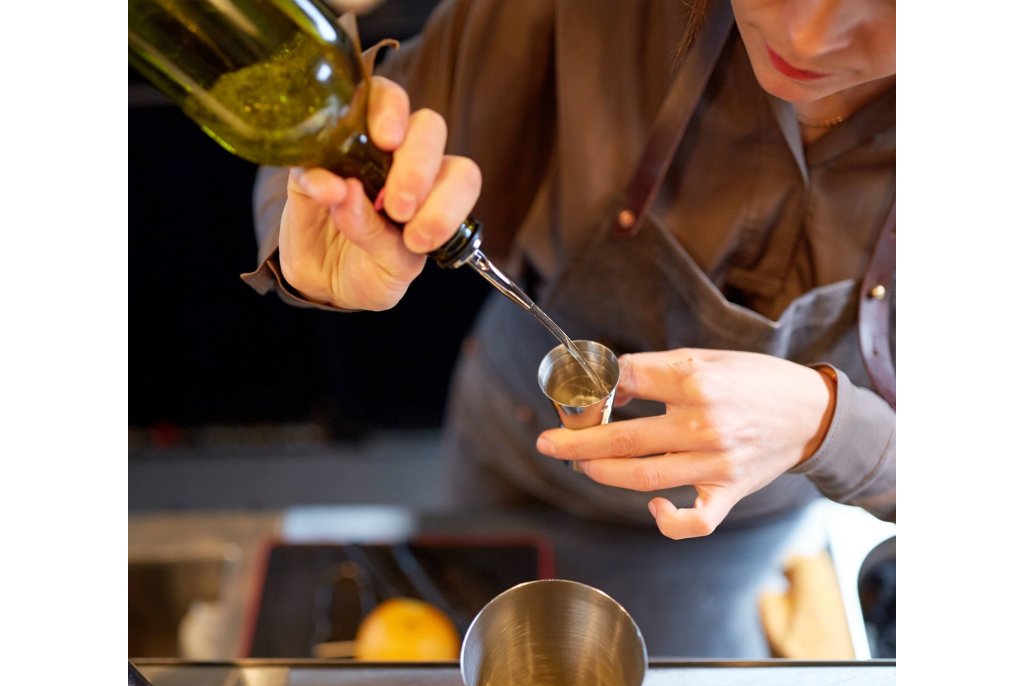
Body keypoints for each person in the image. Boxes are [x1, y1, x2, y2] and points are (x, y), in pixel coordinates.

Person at [244, 0, 896, 540]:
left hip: (734, 529)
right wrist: (332, 212)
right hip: (511, 462)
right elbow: (334, 130)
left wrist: (828, 427)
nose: (808, 37)